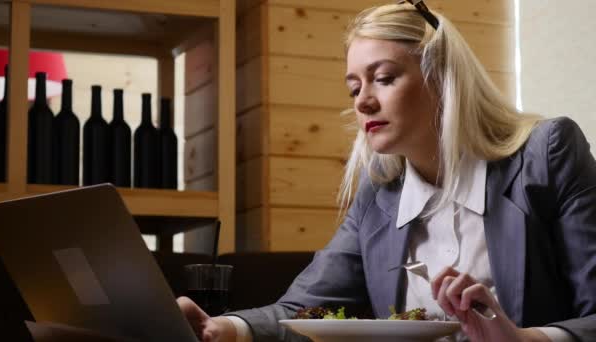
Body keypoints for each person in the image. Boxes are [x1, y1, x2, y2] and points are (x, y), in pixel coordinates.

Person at [178, 2, 596, 341]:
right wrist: (222, 328)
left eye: (383, 78)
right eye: (354, 88)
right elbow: (302, 310)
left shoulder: (547, 154)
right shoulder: (379, 196)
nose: (362, 102)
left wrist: (527, 340)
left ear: (442, 77)